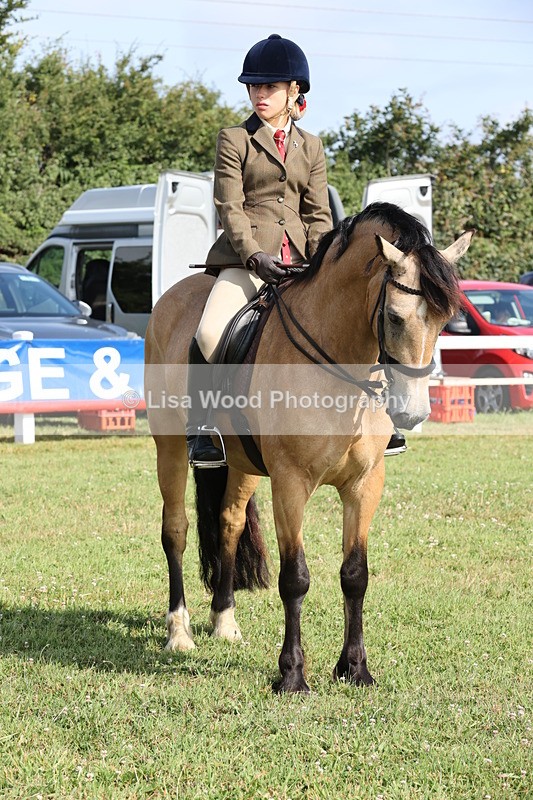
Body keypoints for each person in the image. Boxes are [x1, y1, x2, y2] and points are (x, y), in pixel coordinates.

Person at [186, 33, 405, 466]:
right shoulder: (234, 139)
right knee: (209, 332)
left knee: (368, 319)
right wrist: (254, 255)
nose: (259, 94)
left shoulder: (313, 146)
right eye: (253, 86)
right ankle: (202, 427)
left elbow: (318, 213)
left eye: (269, 87)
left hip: (304, 262)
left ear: (294, 91)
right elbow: (229, 206)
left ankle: (386, 417)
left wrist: (325, 260)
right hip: (247, 260)